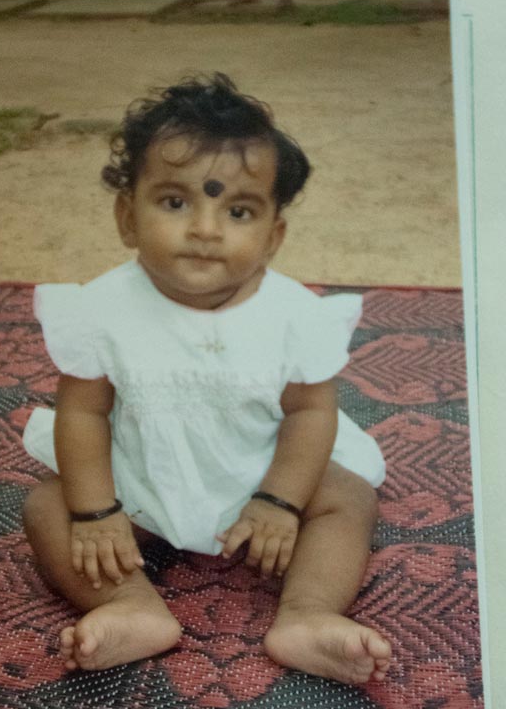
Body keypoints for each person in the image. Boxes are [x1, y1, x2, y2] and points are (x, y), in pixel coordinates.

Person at [22, 72, 392, 685]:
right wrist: (96, 512)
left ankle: (307, 614)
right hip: (141, 472)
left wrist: (280, 501)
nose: (205, 229)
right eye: (175, 202)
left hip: (262, 469)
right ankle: (130, 605)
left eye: (238, 210)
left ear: (273, 236)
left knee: (348, 498)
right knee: (45, 504)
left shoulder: (295, 317)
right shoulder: (100, 311)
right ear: (126, 217)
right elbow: (83, 413)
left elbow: (310, 413)